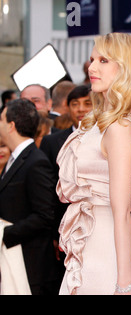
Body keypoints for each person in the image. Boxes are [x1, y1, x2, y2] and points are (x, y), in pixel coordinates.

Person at [56, 33, 131, 295]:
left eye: (103, 60)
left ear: (126, 68)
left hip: (105, 250)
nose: (92, 67)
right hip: (88, 243)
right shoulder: (99, 120)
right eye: (93, 59)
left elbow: (122, 211)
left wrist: (124, 285)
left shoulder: (121, 127)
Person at [0, 98, 59, 295]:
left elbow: (45, 215)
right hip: (13, 262)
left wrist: (4, 233)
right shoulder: (15, 159)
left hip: (31, 268)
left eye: (1, 120)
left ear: (11, 125)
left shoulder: (35, 162)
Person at [40, 85, 93, 287]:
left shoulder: (107, 138)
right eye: (75, 104)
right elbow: (48, 192)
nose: (80, 109)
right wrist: (55, 235)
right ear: (67, 107)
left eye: (87, 103)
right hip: (63, 229)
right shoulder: (51, 142)